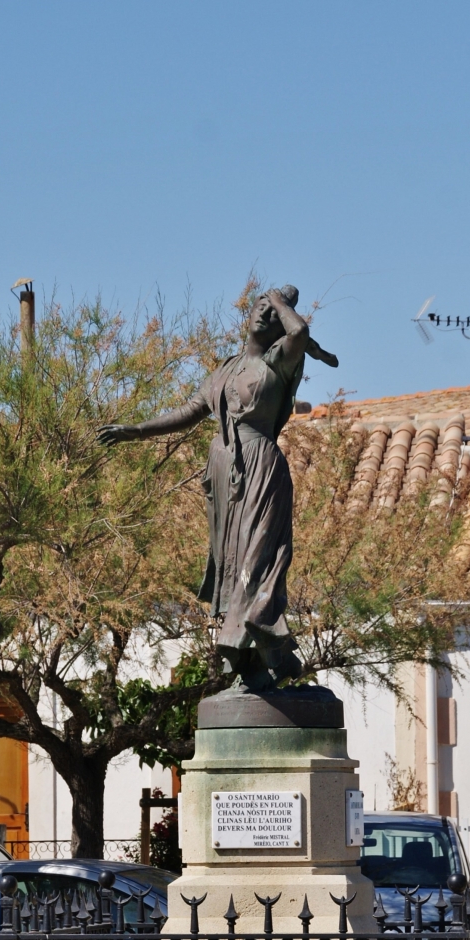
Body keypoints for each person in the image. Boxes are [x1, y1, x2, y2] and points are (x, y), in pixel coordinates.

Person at [98, 287, 337, 690]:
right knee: (230, 567)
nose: (264, 314)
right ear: (246, 315)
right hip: (225, 475)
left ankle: (271, 653)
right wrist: (136, 430)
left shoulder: (280, 360)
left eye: (272, 313)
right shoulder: (225, 370)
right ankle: (251, 666)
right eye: (259, 307)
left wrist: (280, 302)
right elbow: (189, 412)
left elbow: (299, 333)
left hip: (261, 469)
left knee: (256, 563)